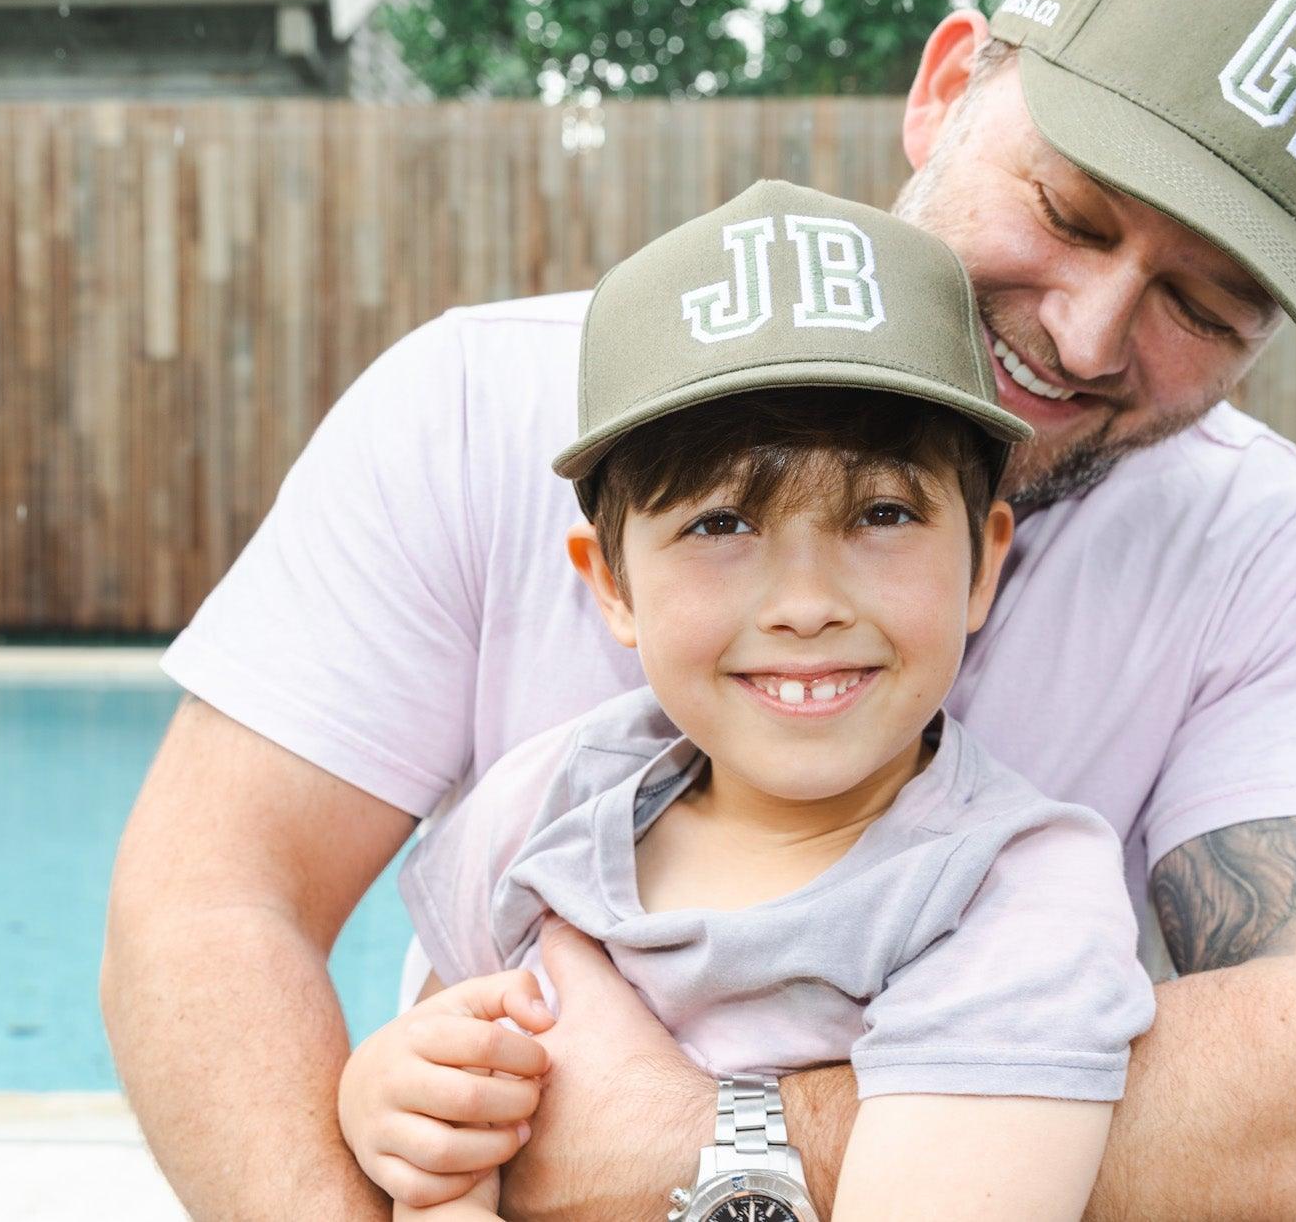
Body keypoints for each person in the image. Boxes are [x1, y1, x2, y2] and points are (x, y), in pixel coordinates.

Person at [102, 0, 1296, 1219]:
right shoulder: (483, 409)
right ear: (946, 86)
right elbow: (214, 902)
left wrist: (704, 1152)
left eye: (1207, 305)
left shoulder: (1293, 566)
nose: (1087, 335)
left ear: (984, 557)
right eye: (1069, 211)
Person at [336, 181, 1152, 1222]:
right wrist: (386, 1101)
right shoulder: (545, 800)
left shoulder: (1007, 896)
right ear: (611, 584)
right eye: (722, 524)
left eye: (883, 512)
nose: (805, 603)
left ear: (981, 563)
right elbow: (441, 1076)